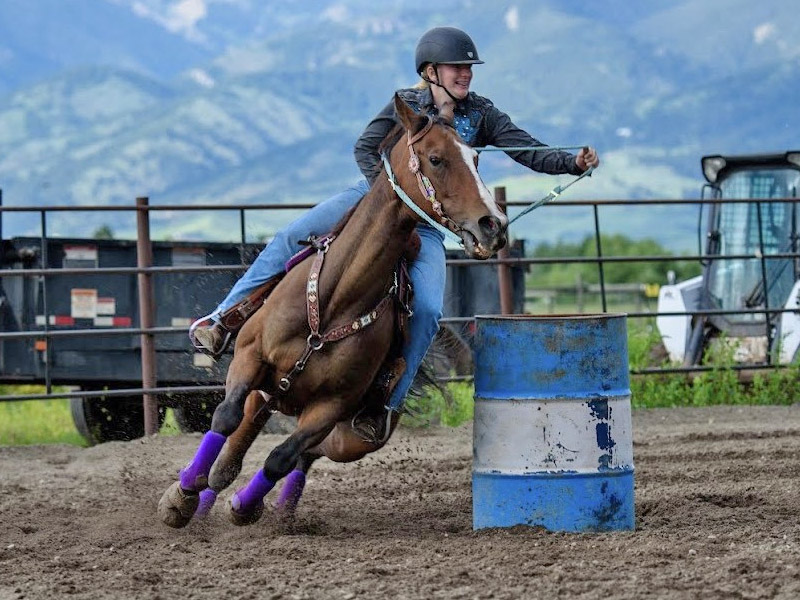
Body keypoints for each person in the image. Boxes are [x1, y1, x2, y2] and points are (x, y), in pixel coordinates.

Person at [192, 26, 600, 426]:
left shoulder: (481, 113)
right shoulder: (405, 105)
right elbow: (366, 148)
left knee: (426, 309)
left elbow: (524, 148)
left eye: (469, 68)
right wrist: (386, 204)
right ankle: (219, 320)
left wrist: (571, 163)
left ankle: (387, 403)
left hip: (427, 224)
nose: (465, 74)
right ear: (430, 71)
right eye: (455, 67)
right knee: (286, 239)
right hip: (369, 202)